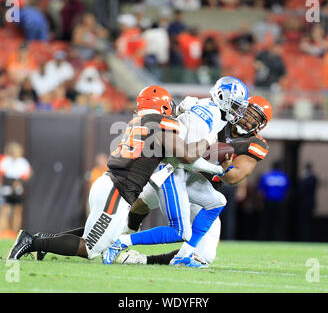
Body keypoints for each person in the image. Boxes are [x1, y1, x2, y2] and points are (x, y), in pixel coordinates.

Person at [7, 85, 222, 261]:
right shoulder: (160, 124)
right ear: (163, 105)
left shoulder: (142, 122)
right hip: (116, 191)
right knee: (91, 248)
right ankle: (31, 241)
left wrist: (216, 168)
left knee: (107, 233)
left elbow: (178, 157)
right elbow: (187, 155)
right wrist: (209, 139)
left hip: (112, 186)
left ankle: (45, 239)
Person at [103, 76, 249, 267]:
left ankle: (185, 254)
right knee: (180, 232)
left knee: (217, 201)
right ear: (222, 97)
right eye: (235, 105)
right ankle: (122, 242)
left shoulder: (214, 111)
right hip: (171, 171)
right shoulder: (207, 115)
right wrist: (217, 170)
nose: (237, 111)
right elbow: (188, 159)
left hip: (181, 171)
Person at [0, 142, 32, 239]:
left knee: (17, 212)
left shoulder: (23, 162)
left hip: (17, 191)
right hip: (6, 189)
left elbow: (28, 174)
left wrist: (18, 182)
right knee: (5, 211)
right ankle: (4, 233)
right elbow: (2, 174)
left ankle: (14, 234)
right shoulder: (5, 161)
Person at [258, 160, 289, 241]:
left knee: (267, 220)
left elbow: (261, 191)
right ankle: (277, 238)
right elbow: (287, 190)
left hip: (268, 201)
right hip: (280, 201)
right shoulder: (284, 176)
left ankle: (265, 237)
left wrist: (260, 203)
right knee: (278, 221)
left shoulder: (266, 176)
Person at [297, 162, 318, 242]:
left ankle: (305, 238)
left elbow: (301, 190)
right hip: (309, 202)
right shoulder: (313, 178)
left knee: (305, 222)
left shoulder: (308, 178)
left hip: (305, 203)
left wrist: (302, 178)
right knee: (306, 222)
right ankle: (305, 238)